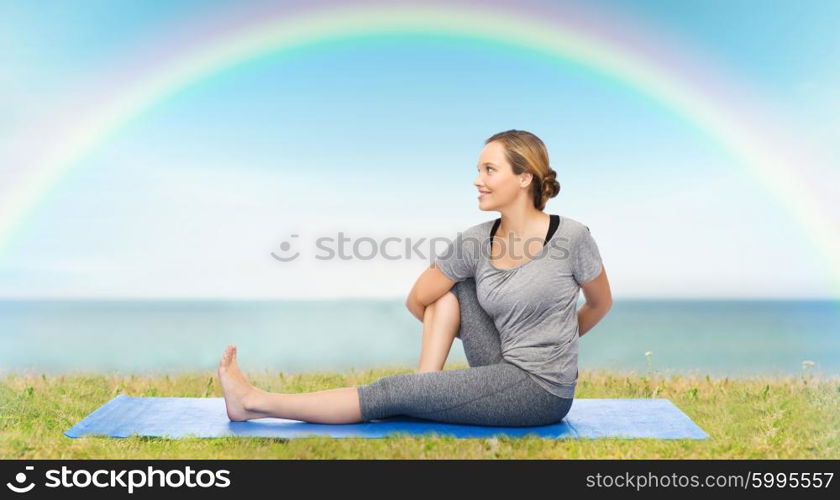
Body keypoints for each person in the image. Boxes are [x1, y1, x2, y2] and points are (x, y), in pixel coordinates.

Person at [217, 129, 613, 426]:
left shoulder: (571, 237)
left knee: (390, 391)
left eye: (490, 170)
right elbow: (417, 300)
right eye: (477, 170)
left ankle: (253, 402)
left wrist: (558, 341)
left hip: (541, 389)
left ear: (524, 178)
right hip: (498, 360)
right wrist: (439, 364)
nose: (478, 179)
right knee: (450, 287)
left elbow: (600, 303)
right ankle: (426, 388)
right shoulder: (474, 241)